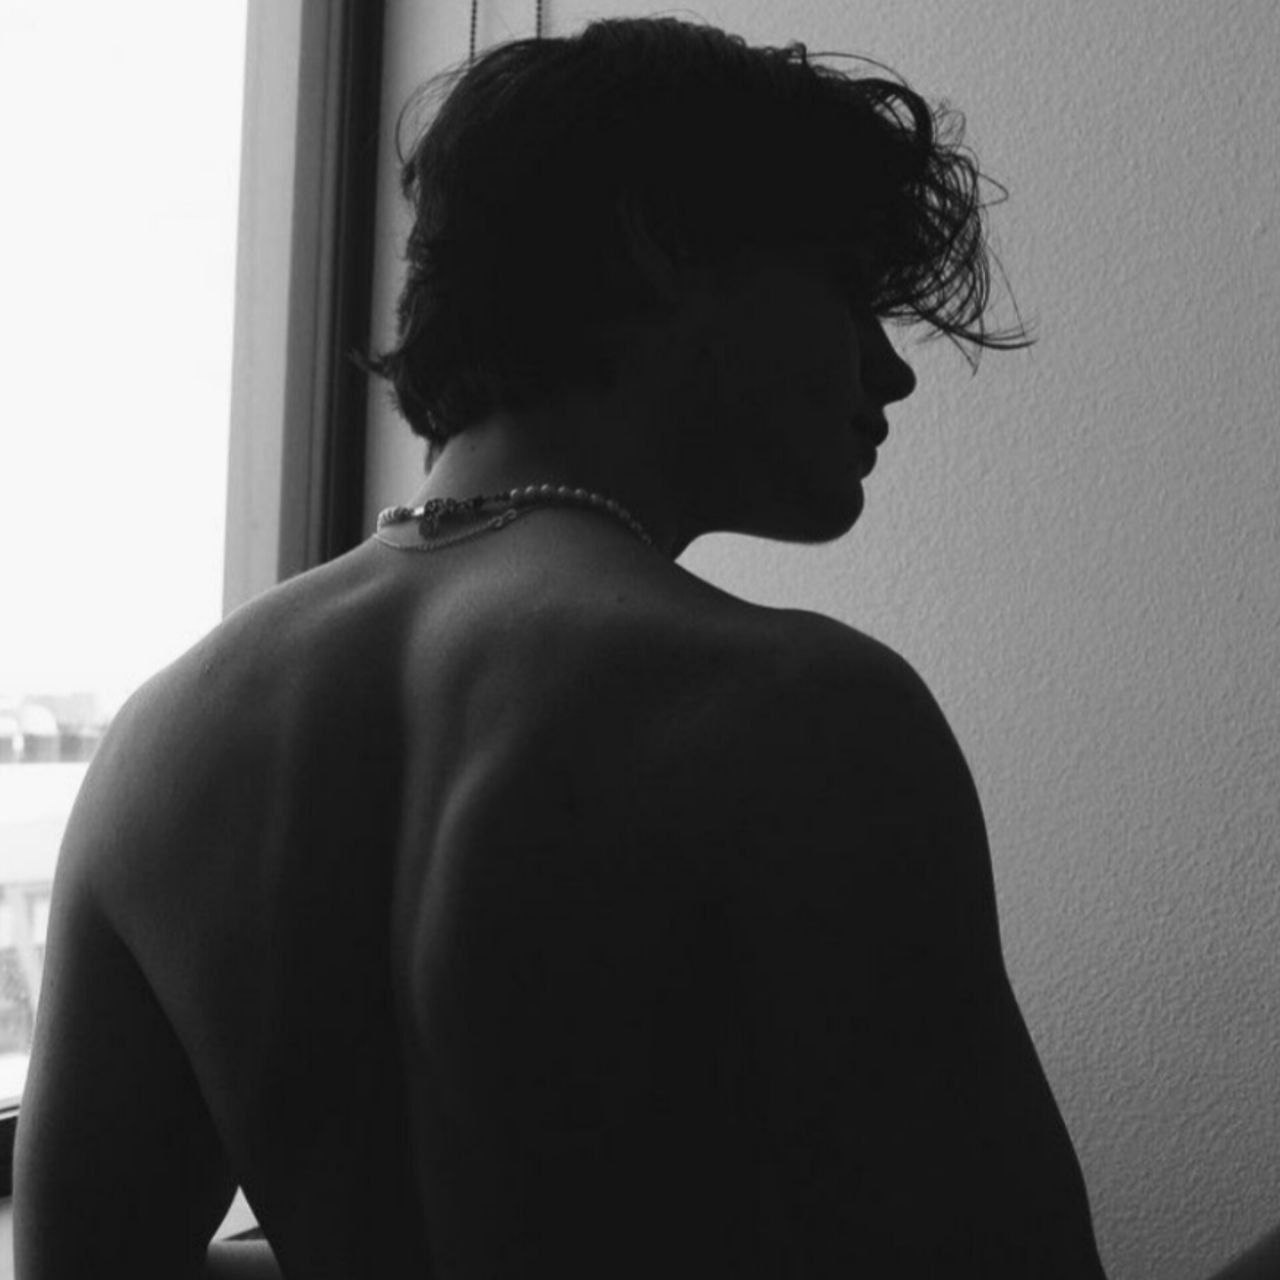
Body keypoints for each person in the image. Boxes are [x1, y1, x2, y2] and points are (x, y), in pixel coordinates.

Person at [12, 16, 1280, 1279]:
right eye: (847, 290)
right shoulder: (795, 712)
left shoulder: (158, 744)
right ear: (662, 249)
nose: (887, 372)